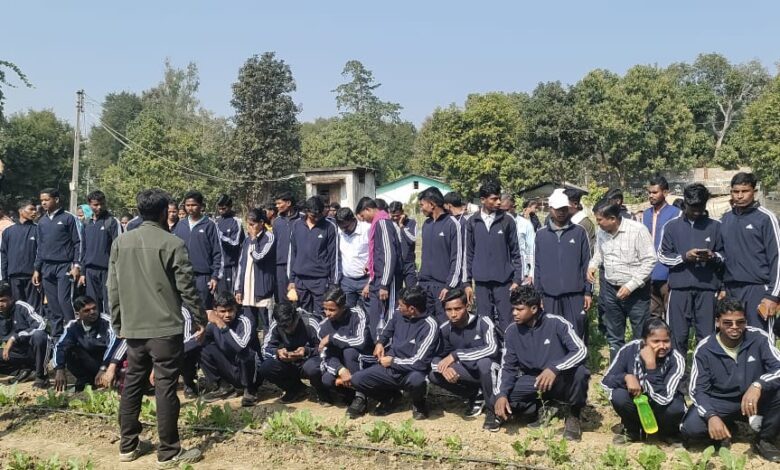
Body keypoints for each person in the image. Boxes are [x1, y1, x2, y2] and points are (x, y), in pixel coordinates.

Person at [108, 188, 206, 467]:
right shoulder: (173, 243)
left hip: (134, 328)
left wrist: (118, 322)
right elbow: (187, 288)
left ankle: (128, 445)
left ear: (139, 212)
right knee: (165, 387)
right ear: (164, 213)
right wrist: (200, 318)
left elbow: (112, 287)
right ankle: (169, 451)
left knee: (132, 383)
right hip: (165, 328)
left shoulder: (121, 242)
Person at [680, 298, 780, 462]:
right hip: (722, 401)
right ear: (717, 322)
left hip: (755, 400)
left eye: (740, 322)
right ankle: (726, 428)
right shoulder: (705, 348)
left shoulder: (758, 338)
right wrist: (711, 416)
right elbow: (698, 390)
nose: (734, 327)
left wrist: (758, 385)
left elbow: (778, 367)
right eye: (728, 323)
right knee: (691, 428)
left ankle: (764, 439)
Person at [493, 286, 589, 440]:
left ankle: (573, 415)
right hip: (534, 381)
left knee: (580, 372)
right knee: (501, 398)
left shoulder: (557, 323)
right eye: (513, 309)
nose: (514, 313)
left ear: (534, 308)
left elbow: (581, 351)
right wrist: (501, 394)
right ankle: (544, 407)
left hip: (560, 378)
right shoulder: (511, 331)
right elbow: (508, 367)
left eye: (519, 309)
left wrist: (555, 368)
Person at [350, 286, 439, 420]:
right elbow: (388, 330)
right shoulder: (399, 314)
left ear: (412, 309)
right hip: (390, 368)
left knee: (417, 380)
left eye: (401, 305)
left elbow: (419, 362)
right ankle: (390, 397)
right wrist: (380, 343)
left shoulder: (430, 325)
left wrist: (392, 361)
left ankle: (419, 403)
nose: (398, 307)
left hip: (411, 371)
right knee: (357, 379)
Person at [658, 183, 724, 355]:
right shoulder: (671, 226)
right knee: (677, 335)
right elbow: (662, 256)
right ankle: (678, 370)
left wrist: (713, 256)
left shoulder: (716, 226)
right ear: (685, 202)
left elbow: (726, 256)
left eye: (700, 207)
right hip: (679, 290)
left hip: (707, 290)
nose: (696, 211)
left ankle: (704, 369)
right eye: (692, 207)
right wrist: (684, 257)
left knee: (706, 336)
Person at [588, 198, 656, 360]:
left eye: (600, 220)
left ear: (612, 218)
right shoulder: (602, 232)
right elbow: (599, 252)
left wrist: (630, 286)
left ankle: (640, 368)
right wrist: (593, 265)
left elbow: (650, 260)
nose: (597, 223)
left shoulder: (637, 230)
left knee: (640, 335)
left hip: (636, 293)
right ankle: (617, 370)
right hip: (611, 290)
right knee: (614, 336)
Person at [601, 318, 685, 444]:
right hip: (637, 404)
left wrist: (651, 368)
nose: (662, 346)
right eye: (656, 341)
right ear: (644, 341)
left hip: (662, 407)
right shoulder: (629, 350)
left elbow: (664, 398)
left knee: (675, 407)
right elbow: (606, 381)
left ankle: (667, 433)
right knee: (618, 396)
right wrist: (626, 377)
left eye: (666, 341)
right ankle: (633, 431)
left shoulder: (675, 359)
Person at [428, 288, 500, 430]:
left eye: (458, 309)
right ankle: (475, 395)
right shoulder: (445, 329)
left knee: (485, 364)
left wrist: (456, 355)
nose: (453, 314)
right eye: (449, 310)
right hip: (468, 372)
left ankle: (492, 412)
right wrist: (443, 369)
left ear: (467, 306)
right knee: (434, 374)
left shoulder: (483, 322)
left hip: (492, 372)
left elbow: (492, 349)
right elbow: (435, 357)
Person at [720, 172, 780, 336]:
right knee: (734, 338)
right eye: (736, 191)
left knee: (761, 338)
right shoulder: (726, 218)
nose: (740, 196)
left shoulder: (766, 218)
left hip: (758, 289)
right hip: (732, 290)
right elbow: (723, 256)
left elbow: (777, 258)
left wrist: (773, 296)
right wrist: (722, 287)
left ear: (754, 191)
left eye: (744, 191)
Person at [464, 180, 523, 333]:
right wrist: (467, 282)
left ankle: (508, 347)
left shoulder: (507, 220)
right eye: (494, 199)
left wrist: (517, 280)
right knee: (484, 322)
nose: (498, 202)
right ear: (483, 200)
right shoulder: (472, 222)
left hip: (504, 282)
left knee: (507, 321)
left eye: (499, 198)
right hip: (481, 283)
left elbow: (516, 252)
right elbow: (468, 254)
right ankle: (489, 348)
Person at [535, 189, 592, 338]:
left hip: (575, 295)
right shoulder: (541, 235)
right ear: (550, 209)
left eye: (564, 209)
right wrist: (538, 295)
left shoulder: (579, 232)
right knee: (552, 335)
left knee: (576, 334)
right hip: (549, 296)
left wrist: (588, 292)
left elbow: (587, 264)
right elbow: (537, 266)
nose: (561, 212)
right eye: (558, 209)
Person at [310, 286, 372, 417]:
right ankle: (349, 394)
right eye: (325, 309)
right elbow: (326, 356)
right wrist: (340, 369)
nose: (327, 313)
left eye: (332, 310)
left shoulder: (357, 314)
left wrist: (332, 338)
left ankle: (360, 396)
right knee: (327, 379)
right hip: (342, 364)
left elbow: (361, 341)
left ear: (343, 307)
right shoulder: (323, 327)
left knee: (349, 352)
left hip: (363, 359)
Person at [32, 187, 81, 337]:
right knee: (52, 303)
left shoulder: (68, 218)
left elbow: (78, 242)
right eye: (42, 200)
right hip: (47, 267)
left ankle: (74, 333)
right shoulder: (42, 222)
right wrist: (37, 269)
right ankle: (56, 336)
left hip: (64, 266)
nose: (43, 203)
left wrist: (77, 265)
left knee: (64, 300)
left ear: (56, 199)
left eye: (46, 200)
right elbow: (40, 247)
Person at [53, 295, 127, 392]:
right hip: (90, 362)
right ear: (77, 314)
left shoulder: (107, 322)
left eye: (94, 308)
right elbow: (60, 346)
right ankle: (85, 380)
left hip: (109, 364)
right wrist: (59, 369)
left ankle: (110, 379)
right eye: (87, 310)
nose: (92, 312)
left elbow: (115, 345)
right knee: (70, 350)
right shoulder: (73, 326)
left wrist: (104, 368)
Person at [200, 293, 261, 407]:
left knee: (245, 353)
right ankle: (224, 386)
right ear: (215, 311)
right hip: (231, 368)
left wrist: (222, 325)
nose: (227, 315)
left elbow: (241, 346)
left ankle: (250, 390)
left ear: (236, 308)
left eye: (230, 310)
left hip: (250, 371)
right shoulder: (213, 324)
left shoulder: (245, 321)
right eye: (222, 311)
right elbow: (198, 342)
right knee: (202, 348)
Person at [356, 197, 402, 341]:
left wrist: (384, 284)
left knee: (389, 315)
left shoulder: (383, 223)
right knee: (375, 318)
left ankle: (389, 347)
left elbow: (389, 255)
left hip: (387, 281)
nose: (363, 220)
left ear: (368, 209)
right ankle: (378, 345)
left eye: (363, 216)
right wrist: (371, 280)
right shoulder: (376, 225)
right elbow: (378, 256)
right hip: (377, 279)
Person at [257, 303, 321, 403]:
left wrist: (307, 351)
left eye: (290, 325)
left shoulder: (310, 322)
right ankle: (295, 389)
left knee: (312, 368)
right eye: (283, 327)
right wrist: (277, 352)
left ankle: (322, 391)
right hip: (289, 364)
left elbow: (325, 348)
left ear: (297, 317)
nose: (287, 329)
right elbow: (265, 349)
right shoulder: (276, 325)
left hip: (309, 361)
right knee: (266, 367)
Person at [287, 196, 340, 318]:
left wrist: (333, 283)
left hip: (320, 280)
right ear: (306, 211)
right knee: (302, 315)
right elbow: (292, 253)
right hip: (300, 280)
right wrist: (291, 280)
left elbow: (334, 257)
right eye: (313, 216)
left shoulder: (330, 227)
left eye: (319, 215)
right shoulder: (296, 225)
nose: (316, 218)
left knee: (321, 315)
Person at [172, 191, 223, 311]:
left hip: (203, 277)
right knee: (184, 311)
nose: (190, 208)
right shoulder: (180, 225)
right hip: (183, 275)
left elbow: (218, 253)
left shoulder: (210, 225)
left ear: (201, 206)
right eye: (187, 205)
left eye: (194, 205)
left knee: (203, 311)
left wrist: (215, 277)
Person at [417, 187, 462, 323]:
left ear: (432, 204)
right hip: (425, 285)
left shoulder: (452, 224)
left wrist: (449, 286)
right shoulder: (426, 224)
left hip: (443, 287)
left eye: (422, 205)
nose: (421, 209)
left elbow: (457, 258)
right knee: (427, 324)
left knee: (444, 325)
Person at [642, 176, 681, 319]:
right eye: (649, 192)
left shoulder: (676, 214)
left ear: (665, 193)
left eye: (655, 192)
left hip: (668, 272)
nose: (651, 196)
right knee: (653, 315)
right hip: (648, 272)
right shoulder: (645, 214)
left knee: (670, 312)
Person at [79, 190, 123, 315]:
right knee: (92, 305)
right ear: (89, 205)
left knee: (110, 304)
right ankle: (97, 327)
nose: (99, 207)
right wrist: (82, 272)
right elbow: (83, 249)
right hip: (90, 271)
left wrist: (116, 271)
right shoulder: (86, 223)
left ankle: (111, 326)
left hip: (108, 271)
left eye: (102, 204)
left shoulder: (112, 222)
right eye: (95, 205)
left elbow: (119, 248)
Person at [0, 282, 49, 387]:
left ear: (11, 298)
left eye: (3, 300)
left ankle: (41, 376)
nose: (0, 304)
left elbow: (41, 324)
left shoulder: (21, 307)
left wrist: (14, 338)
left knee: (39, 336)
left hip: (32, 350)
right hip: (16, 353)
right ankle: (24, 371)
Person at [234, 208, 275, 331]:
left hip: (263, 290)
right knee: (249, 325)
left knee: (267, 325)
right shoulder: (247, 240)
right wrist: (238, 289)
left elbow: (258, 257)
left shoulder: (269, 237)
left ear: (261, 223)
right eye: (248, 224)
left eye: (252, 224)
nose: (249, 227)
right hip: (247, 289)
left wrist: (254, 240)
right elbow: (241, 265)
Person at [1, 200, 40, 309]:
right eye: (31, 209)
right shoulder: (8, 232)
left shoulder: (38, 230)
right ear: (21, 211)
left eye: (35, 209)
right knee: (17, 308)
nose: (34, 212)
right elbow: (4, 255)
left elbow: (41, 253)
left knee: (33, 309)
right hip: (14, 277)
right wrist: (4, 278)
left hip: (32, 277)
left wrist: (38, 270)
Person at [334, 207, 370, 309]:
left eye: (346, 227)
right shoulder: (339, 231)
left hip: (365, 281)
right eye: (341, 228)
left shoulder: (367, 229)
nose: (344, 230)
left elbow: (376, 254)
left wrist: (370, 283)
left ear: (354, 220)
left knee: (368, 312)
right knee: (347, 311)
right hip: (347, 282)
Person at [272, 191, 300, 302]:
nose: (277, 206)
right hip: (281, 265)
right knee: (282, 298)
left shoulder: (302, 219)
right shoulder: (277, 222)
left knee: (298, 297)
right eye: (276, 204)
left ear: (288, 203)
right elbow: (275, 243)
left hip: (297, 264)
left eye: (279, 203)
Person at [501, 194, 535, 285]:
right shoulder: (497, 225)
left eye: (506, 210)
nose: (504, 213)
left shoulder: (525, 224)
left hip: (522, 274)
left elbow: (532, 250)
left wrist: (531, 274)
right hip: (502, 274)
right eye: (501, 210)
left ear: (514, 207)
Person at [215, 195, 245, 295]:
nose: (221, 211)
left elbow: (235, 243)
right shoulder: (216, 221)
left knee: (229, 296)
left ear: (230, 206)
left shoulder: (236, 222)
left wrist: (221, 235)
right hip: (217, 267)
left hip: (230, 266)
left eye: (224, 208)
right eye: (219, 208)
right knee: (218, 298)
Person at [388, 201, 418, 289]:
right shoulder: (389, 224)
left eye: (397, 215)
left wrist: (401, 226)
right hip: (395, 265)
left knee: (413, 291)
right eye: (393, 216)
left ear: (402, 212)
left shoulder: (411, 223)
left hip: (409, 264)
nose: (395, 218)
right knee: (397, 292)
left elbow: (412, 240)